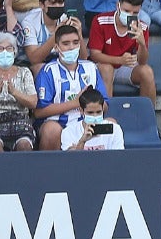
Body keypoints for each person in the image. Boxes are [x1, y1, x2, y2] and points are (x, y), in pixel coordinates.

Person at [32, 23, 106, 151]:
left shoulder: (91, 68)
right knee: (51, 130)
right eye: (66, 44)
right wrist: (75, 103)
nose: (71, 47)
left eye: (75, 43)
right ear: (56, 47)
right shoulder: (48, 71)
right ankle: (50, 164)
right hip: (58, 123)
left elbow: (105, 105)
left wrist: (89, 107)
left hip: (87, 123)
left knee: (111, 125)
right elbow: (39, 112)